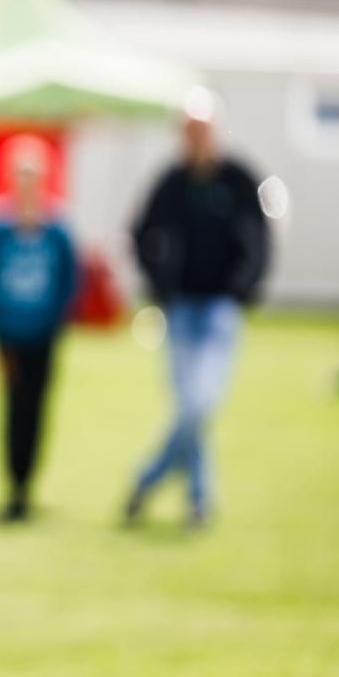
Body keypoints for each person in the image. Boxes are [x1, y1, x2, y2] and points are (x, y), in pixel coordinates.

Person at [125, 87, 270, 528]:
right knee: (191, 406)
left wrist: (243, 287)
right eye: (188, 131)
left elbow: (259, 240)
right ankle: (199, 502)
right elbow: (140, 232)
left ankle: (148, 477)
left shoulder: (238, 179)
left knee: (200, 403)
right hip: (181, 307)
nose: (195, 138)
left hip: (220, 309)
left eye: (201, 130)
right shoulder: (171, 182)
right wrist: (159, 282)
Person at [0, 135, 77, 522]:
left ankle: (28, 483)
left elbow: (69, 282)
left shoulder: (58, 229)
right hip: (9, 336)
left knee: (37, 408)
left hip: (44, 335)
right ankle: (13, 486)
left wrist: (54, 323)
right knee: (12, 409)